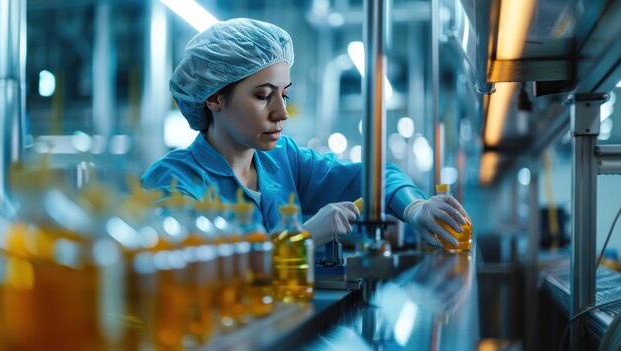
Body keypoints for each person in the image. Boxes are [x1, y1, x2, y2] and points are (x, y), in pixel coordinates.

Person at [141, 18, 468, 248]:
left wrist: (415, 208)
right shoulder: (173, 181)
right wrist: (303, 239)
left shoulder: (284, 160)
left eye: (284, 94)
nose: (282, 112)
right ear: (213, 97)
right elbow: (197, 272)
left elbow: (378, 177)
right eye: (262, 95)